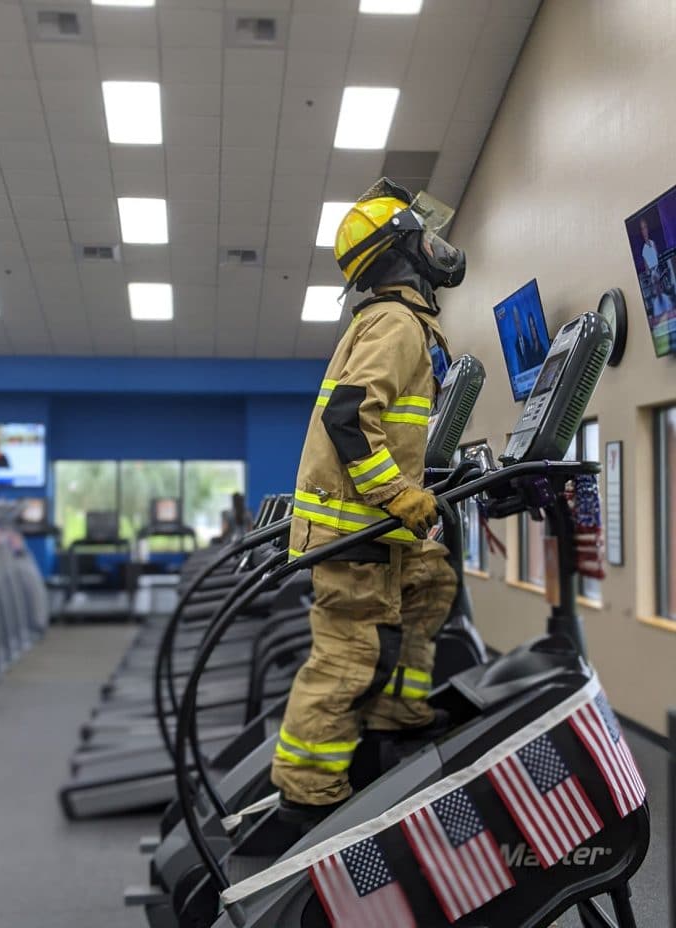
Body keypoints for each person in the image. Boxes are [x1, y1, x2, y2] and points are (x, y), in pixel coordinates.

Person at [270, 178, 465, 823]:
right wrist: (397, 493)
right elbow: (350, 416)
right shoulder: (397, 321)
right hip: (354, 531)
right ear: (402, 253)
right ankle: (308, 794)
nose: (437, 248)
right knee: (352, 653)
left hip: (375, 527)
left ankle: (396, 712)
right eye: (421, 237)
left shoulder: (396, 320)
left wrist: (415, 490)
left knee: (431, 583)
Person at [511, 304, 531, 373]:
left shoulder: (528, 341)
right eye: (516, 323)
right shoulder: (515, 345)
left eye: (519, 322)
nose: (518, 326)